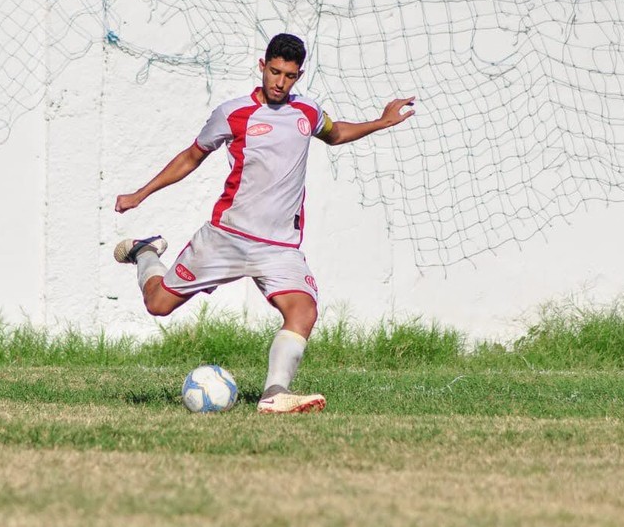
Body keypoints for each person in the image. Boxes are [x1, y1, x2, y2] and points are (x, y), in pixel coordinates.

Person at [114, 33, 415, 414]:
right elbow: (191, 156)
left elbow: (335, 133)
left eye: (289, 76)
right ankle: (145, 252)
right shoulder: (233, 113)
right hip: (227, 238)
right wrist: (141, 194)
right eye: (274, 72)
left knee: (303, 311)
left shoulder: (307, 112)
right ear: (262, 66)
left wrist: (383, 122)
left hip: (279, 247)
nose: (279, 82)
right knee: (158, 305)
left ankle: (274, 394)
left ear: (299, 75)